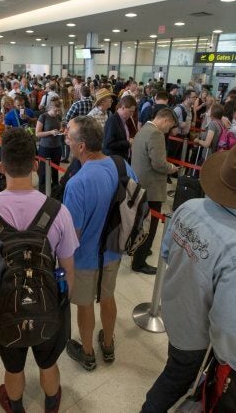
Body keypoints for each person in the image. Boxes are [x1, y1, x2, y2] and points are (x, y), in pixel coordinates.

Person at [141, 140, 236, 412]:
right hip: (196, 336)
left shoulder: (190, 207)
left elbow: (166, 254)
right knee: (175, 380)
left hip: (174, 310)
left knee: (177, 368)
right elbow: (228, 323)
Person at [0, 128, 78, 413]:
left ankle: (16, 406)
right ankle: (51, 405)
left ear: (1, 168)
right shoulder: (57, 211)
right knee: (48, 362)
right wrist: (63, 303)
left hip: (5, 307)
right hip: (49, 304)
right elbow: (68, 267)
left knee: (13, 367)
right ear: (35, 165)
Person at [63, 116, 137, 372]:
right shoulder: (121, 165)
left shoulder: (77, 183)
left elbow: (73, 234)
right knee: (108, 296)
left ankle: (87, 354)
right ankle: (108, 343)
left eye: (69, 136)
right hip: (114, 251)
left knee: (85, 304)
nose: (66, 139)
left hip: (85, 258)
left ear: (81, 146)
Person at [131, 108, 179, 275]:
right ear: (165, 120)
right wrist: (172, 168)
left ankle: (140, 250)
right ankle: (139, 261)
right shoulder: (156, 134)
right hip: (151, 187)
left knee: (140, 223)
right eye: (170, 126)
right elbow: (158, 163)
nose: (169, 130)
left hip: (139, 184)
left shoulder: (143, 129)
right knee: (149, 227)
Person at [35, 97, 64, 192]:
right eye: (56, 110)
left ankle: (55, 189)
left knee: (55, 170)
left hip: (57, 147)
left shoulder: (58, 117)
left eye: (59, 110)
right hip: (45, 147)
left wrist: (61, 131)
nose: (57, 112)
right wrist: (50, 132)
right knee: (43, 171)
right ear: (50, 107)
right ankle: (43, 190)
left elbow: (59, 129)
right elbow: (37, 134)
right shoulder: (43, 117)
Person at [102, 95, 136, 160]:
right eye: (130, 111)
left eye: (133, 112)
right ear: (123, 107)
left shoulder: (122, 120)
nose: (132, 114)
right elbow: (108, 144)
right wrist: (128, 142)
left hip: (121, 159)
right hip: (114, 161)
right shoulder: (112, 121)